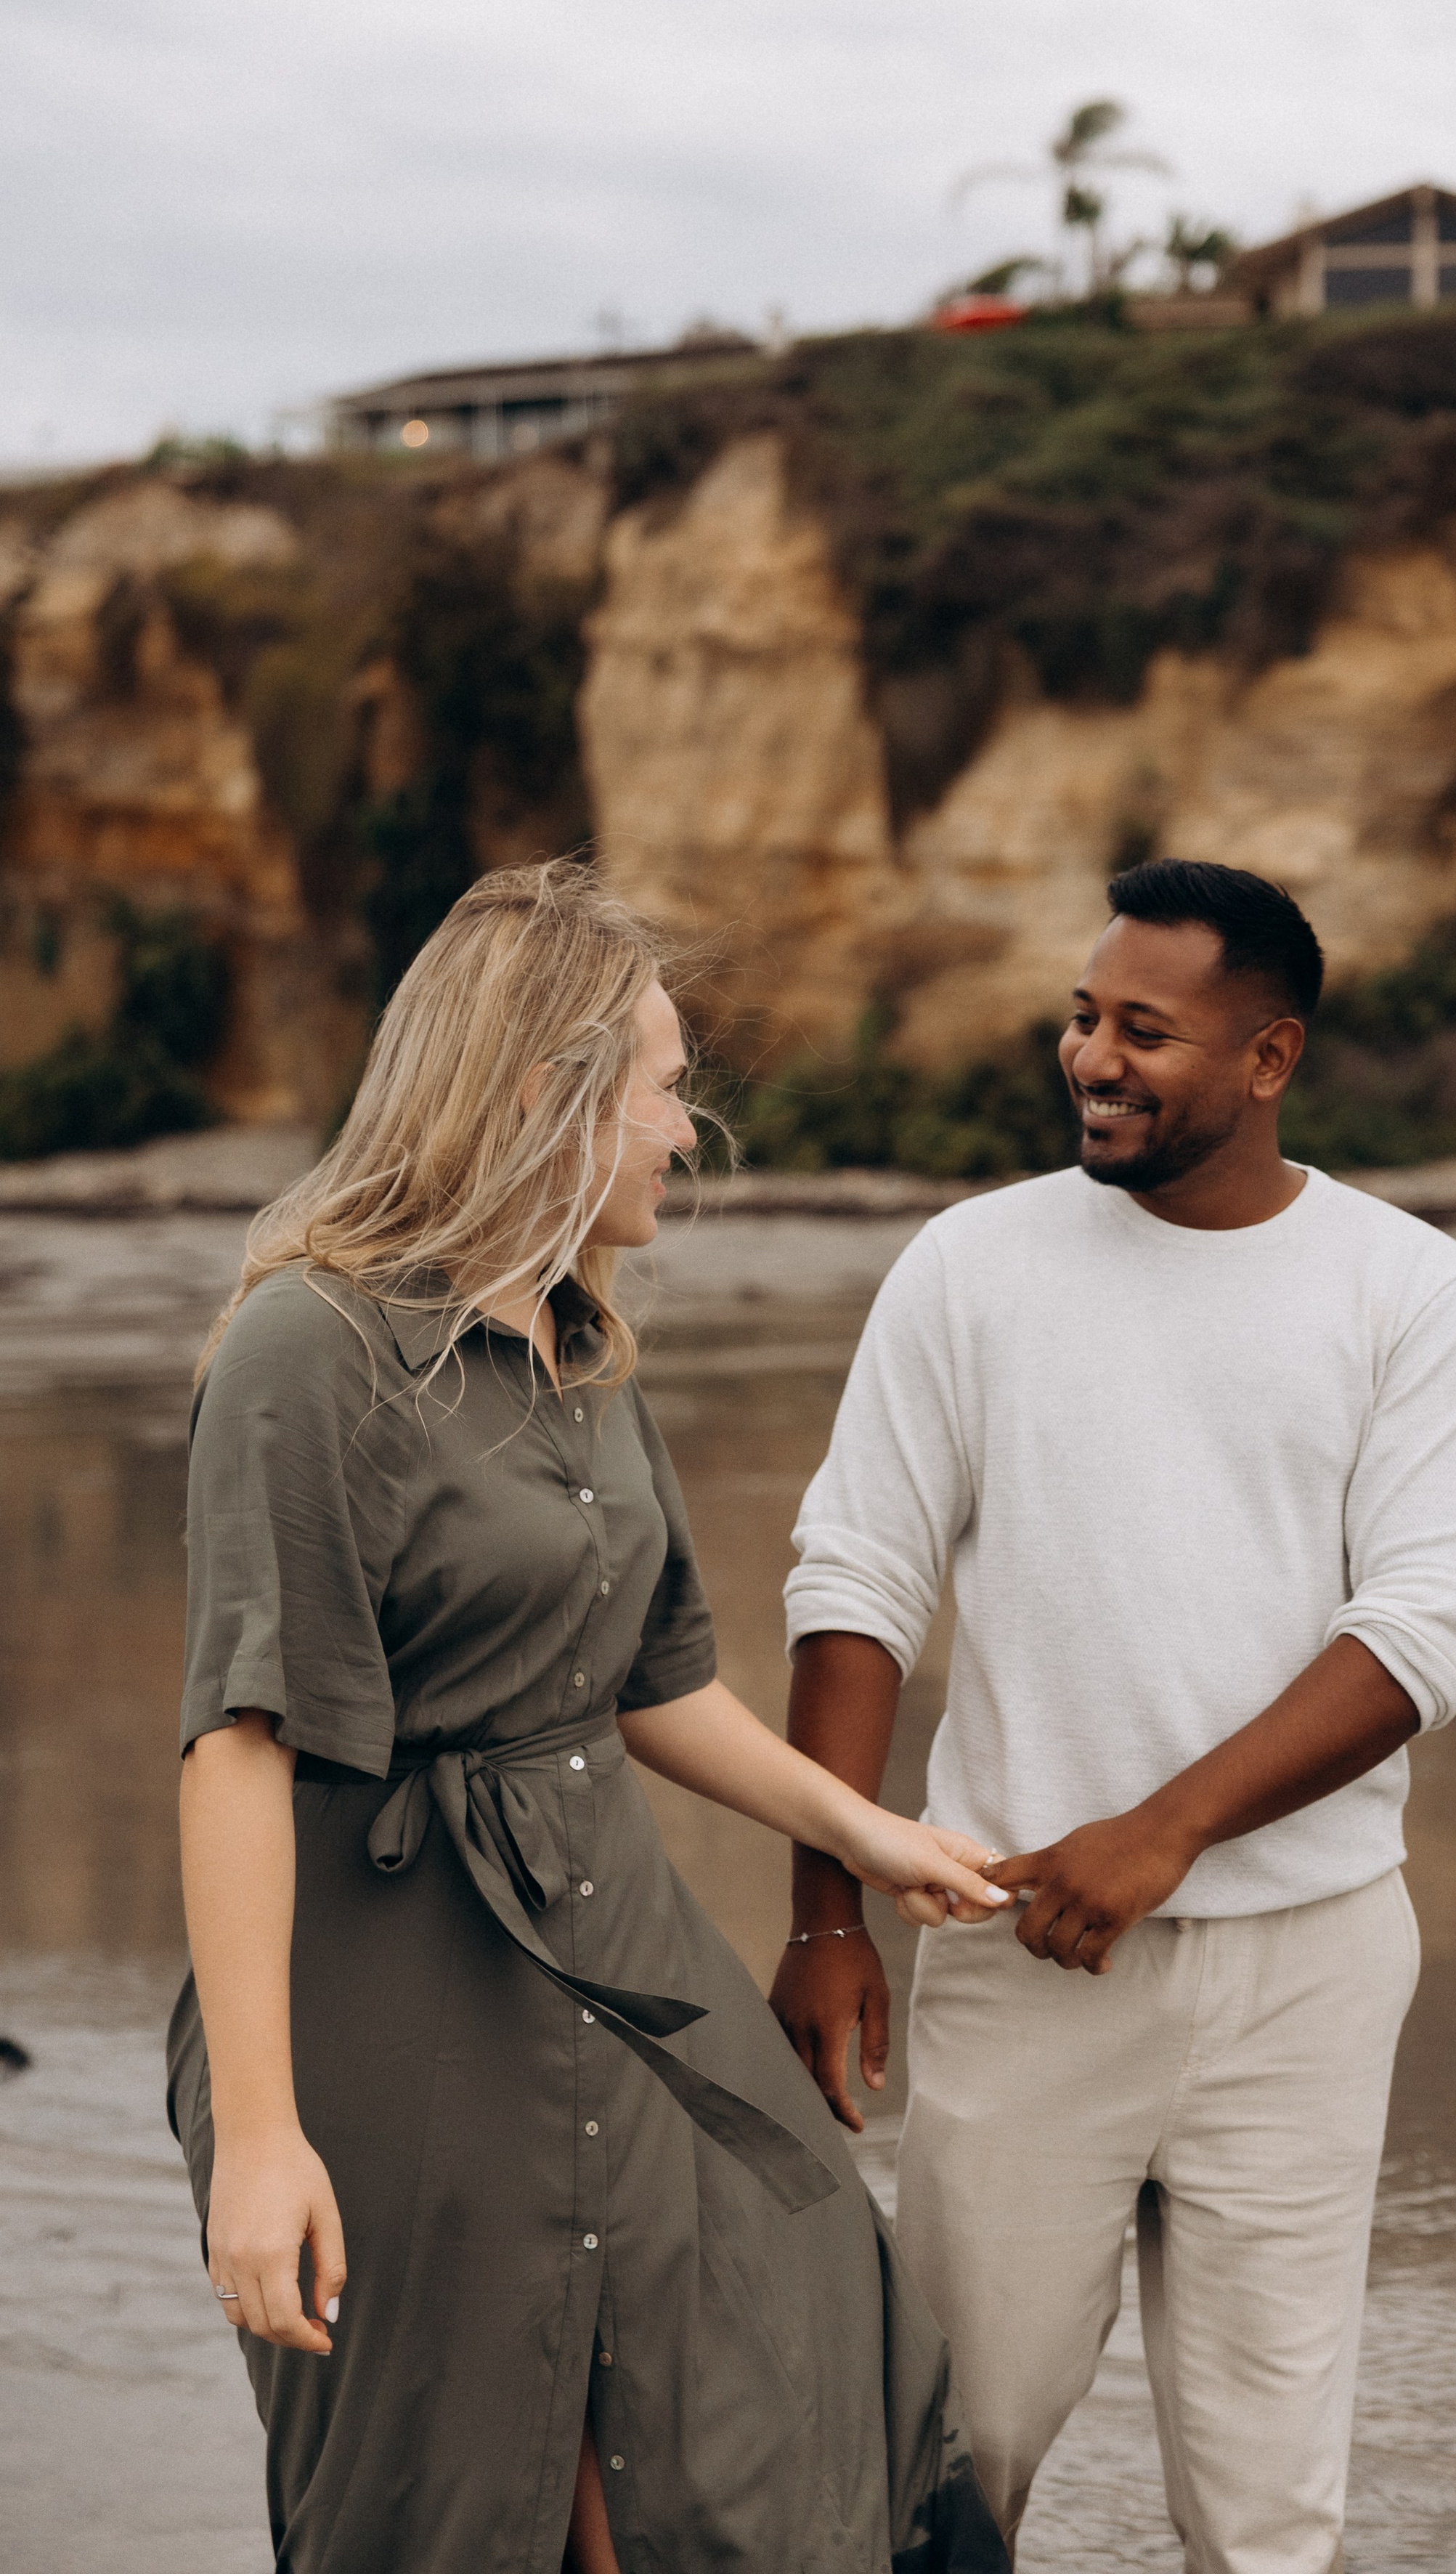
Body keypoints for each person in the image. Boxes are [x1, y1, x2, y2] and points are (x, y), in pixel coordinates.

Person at [167, 860, 1013, 2574]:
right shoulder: (306, 1350)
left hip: (617, 1936)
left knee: (815, 2344)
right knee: (475, 2461)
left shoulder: (580, 1349)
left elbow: (652, 1682)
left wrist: (859, 1831)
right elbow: (240, 1746)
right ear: (547, 1095)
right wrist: (261, 2139)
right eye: (657, 1087)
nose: (681, 1132)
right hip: (392, 1977)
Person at [773, 858, 1456, 2574]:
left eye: (1144, 1032)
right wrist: (827, 1909)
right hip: (1023, 1954)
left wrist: (1164, 1831)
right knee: (948, 2463)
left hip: (1309, 1973)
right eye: (1083, 1016)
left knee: (1265, 2508)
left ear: (1268, 1060)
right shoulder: (971, 1269)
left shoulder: (1409, 1293)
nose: (1089, 1056)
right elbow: (855, 1583)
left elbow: (1420, 1629)